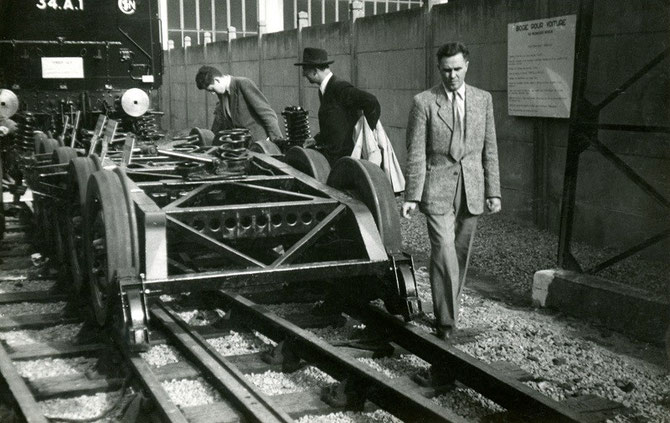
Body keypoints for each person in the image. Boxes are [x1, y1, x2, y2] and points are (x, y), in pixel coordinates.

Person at [402, 42, 501, 341]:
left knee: (459, 253)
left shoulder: (483, 100)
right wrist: (411, 196)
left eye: (457, 69)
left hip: (471, 187)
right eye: (446, 70)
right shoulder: (424, 102)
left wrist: (493, 191)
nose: (452, 76)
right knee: (443, 251)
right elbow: (416, 152)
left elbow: (490, 149)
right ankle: (446, 322)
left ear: (467, 66)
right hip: (437, 188)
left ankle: (448, 309)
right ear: (439, 69)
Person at [295, 47, 380, 165]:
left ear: (315, 71)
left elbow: (372, 102)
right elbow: (334, 125)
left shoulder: (340, 88)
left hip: (346, 162)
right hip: (334, 160)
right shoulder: (324, 90)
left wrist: (364, 135)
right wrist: (317, 139)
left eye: (306, 72)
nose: (305, 75)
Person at [195, 66, 282, 142]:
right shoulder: (221, 94)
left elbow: (268, 114)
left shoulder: (243, 84)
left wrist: (277, 142)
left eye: (212, 90)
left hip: (259, 144)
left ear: (217, 80)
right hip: (242, 145)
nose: (212, 93)